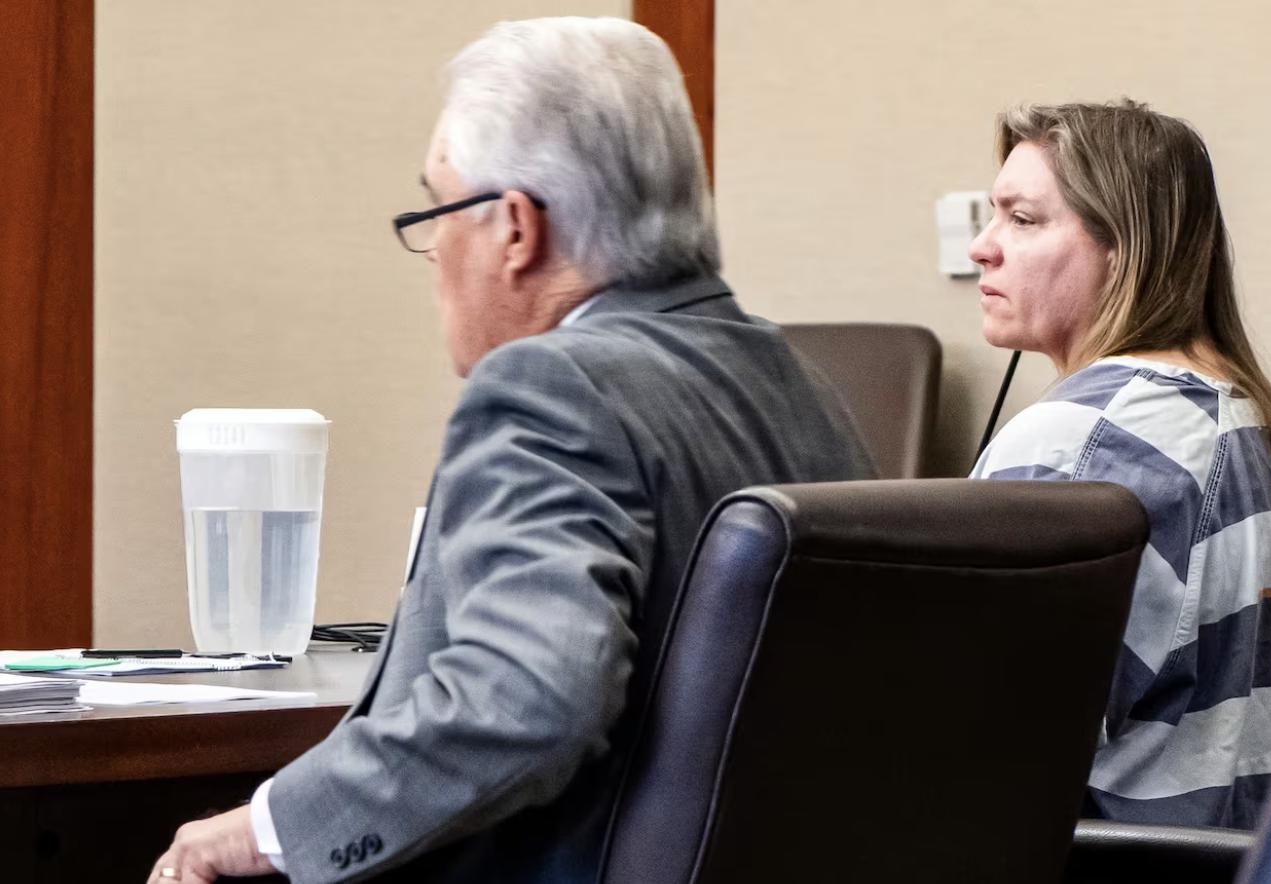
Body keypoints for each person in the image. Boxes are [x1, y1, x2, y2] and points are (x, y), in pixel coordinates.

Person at [147, 17, 874, 884]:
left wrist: (260, 832)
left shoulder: (547, 388)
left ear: (517, 229)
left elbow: (526, 701)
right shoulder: (803, 385)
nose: (432, 253)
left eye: (436, 209)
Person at [968, 100, 1271, 829]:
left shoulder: (1080, 442)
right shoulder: (1261, 422)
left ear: (1125, 247)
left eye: (1022, 220)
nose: (984, 248)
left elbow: (977, 754)